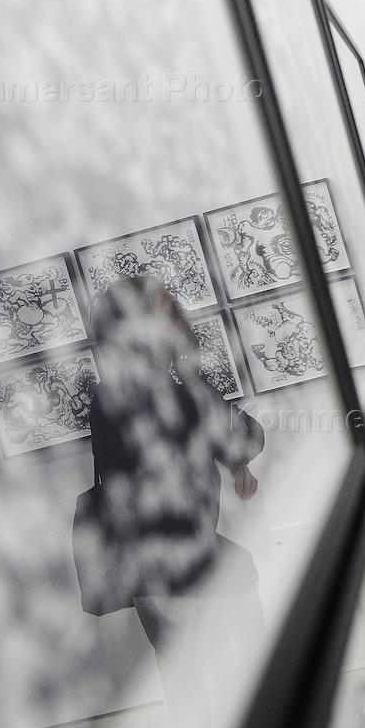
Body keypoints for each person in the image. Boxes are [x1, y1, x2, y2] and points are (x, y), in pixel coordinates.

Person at [87, 275, 265, 656]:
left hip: (155, 578)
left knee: (194, 682)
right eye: (172, 314)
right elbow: (249, 436)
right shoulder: (168, 398)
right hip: (183, 576)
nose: (183, 321)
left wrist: (235, 462)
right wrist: (190, 370)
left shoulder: (110, 401)